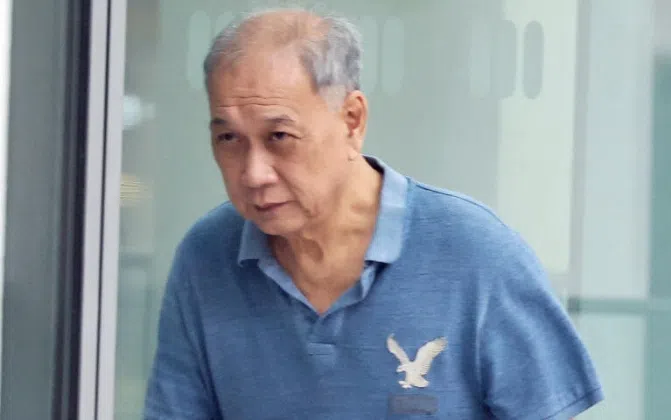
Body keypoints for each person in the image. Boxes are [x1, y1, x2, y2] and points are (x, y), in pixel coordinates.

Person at [144, 7, 603, 420]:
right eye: (229, 139)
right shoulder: (206, 258)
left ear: (352, 120)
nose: (253, 173)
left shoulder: (478, 255)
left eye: (279, 137)